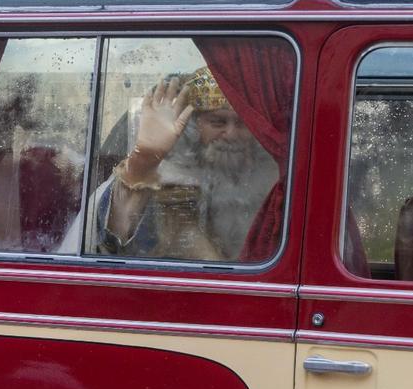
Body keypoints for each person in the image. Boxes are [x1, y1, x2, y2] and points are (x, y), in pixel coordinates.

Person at [91, 66, 278, 261]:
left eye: (241, 124)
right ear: (196, 125)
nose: (231, 134)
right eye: (218, 122)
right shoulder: (168, 178)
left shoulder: (274, 180)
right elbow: (114, 238)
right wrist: (144, 160)